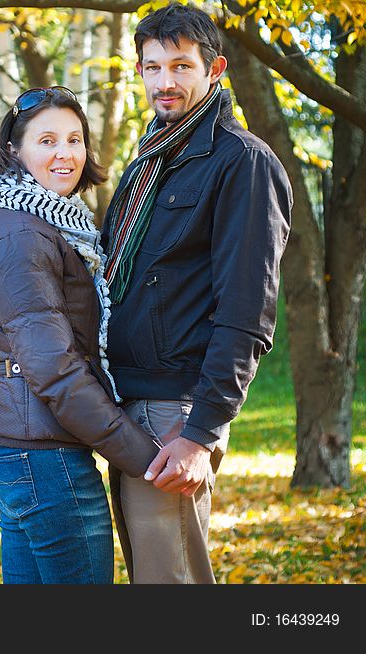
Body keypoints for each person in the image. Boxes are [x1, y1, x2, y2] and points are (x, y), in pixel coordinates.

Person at [101, 2, 292, 584]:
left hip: (176, 410)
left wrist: (199, 433)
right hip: (131, 401)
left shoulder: (242, 163)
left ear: (215, 70)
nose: (165, 82)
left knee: (171, 581)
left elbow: (246, 313)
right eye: (153, 67)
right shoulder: (151, 160)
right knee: (151, 576)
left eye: (181, 66)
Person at [0, 86, 160, 584]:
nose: (65, 154)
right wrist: (143, 457)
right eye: (46, 141)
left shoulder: (17, 220)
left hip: (17, 447)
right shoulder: (24, 235)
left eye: (74, 140)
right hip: (46, 461)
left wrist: (8, 390)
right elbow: (53, 364)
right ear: (14, 149)